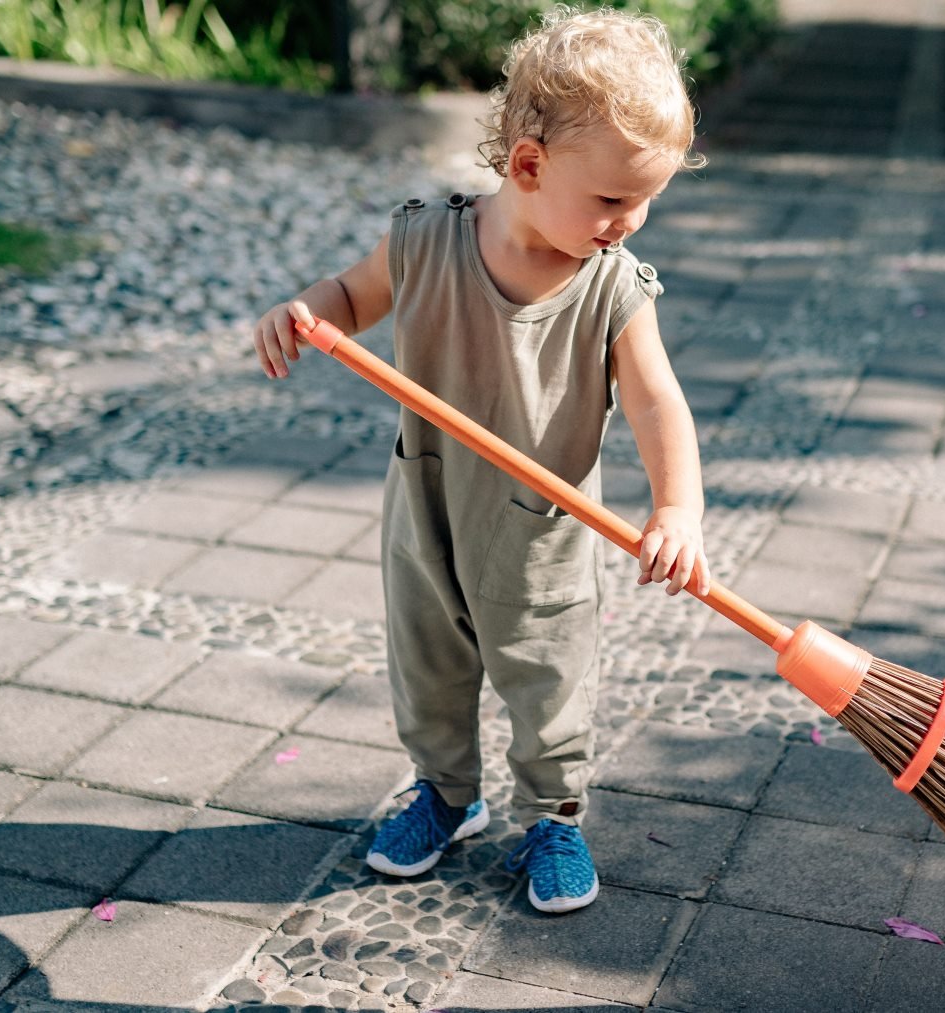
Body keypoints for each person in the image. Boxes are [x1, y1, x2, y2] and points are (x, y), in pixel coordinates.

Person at [249, 5, 710, 914]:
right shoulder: (425, 237)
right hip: (426, 508)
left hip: (541, 532)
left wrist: (677, 509)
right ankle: (446, 793)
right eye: (613, 199)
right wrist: (303, 314)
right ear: (529, 166)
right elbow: (350, 294)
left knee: (547, 678)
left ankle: (554, 815)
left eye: (644, 199)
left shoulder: (611, 284)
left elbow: (658, 399)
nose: (631, 221)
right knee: (428, 665)